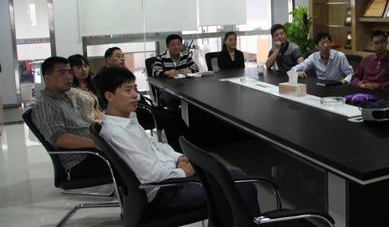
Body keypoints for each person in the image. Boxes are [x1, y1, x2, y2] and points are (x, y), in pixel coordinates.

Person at [95, 66, 259, 213]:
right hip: (164, 191)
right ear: (109, 96)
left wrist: (178, 158)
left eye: (135, 88)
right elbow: (150, 175)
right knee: (241, 183)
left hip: (171, 178)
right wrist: (183, 171)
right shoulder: (116, 133)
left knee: (234, 174)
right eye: (128, 90)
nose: (135, 95)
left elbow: (154, 145)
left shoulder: (127, 119)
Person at [32, 56, 111, 179]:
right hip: (81, 160)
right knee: (130, 163)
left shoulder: (67, 95)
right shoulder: (45, 105)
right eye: (62, 73)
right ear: (47, 79)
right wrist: (97, 144)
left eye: (69, 72)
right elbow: (60, 139)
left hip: (94, 150)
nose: (69, 77)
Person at [152, 34, 199, 110]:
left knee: (195, 95)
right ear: (168, 46)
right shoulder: (162, 57)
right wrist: (166, 73)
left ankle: (189, 114)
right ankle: (174, 116)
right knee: (172, 98)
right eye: (173, 45)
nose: (176, 47)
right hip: (167, 88)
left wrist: (190, 70)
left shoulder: (185, 55)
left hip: (183, 86)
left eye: (178, 44)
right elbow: (155, 71)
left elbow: (196, 67)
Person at [68, 54, 103, 122]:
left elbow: (96, 109)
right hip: (87, 124)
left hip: (99, 120)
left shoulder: (90, 84)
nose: (84, 69)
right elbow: (79, 116)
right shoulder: (70, 90)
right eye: (79, 67)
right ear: (71, 70)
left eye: (86, 66)